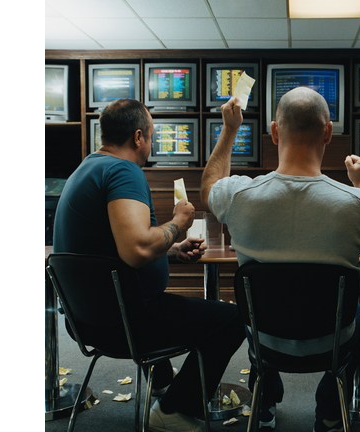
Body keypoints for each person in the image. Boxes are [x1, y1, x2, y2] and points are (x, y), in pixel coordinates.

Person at [201, 87, 360, 432]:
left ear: (274, 132)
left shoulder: (239, 195)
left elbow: (208, 186)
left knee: (260, 310)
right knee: (359, 312)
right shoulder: (357, 203)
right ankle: (332, 411)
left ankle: (265, 402)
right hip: (331, 342)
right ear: (329, 132)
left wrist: (229, 129)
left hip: (266, 340)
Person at [53, 98, 245, 432]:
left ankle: (162, 389)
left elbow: (110, 251)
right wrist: (179, 224)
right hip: (125, 325)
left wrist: (172, 249)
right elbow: (138, 250)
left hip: (85, 322)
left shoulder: (86, 168)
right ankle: (172, 410)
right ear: (138, 137)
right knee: (231, 320)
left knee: (159, 306)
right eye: (152, 136)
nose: (152, 144)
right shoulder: (122, 170)